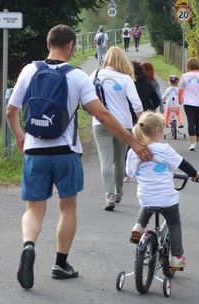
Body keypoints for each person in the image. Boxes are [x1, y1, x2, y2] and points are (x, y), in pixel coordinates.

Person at [6, 25, 152, 290]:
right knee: (67, 207)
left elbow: (10, 111)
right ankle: (61, 264)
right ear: (71, 46)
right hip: (65, 153)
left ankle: (29, 246)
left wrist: (19, 136)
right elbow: (103, 115)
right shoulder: (77, 77)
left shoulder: (29, 70)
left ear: (48, 43)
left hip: (35, 152)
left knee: (34, 209)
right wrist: (132, 140)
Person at [126, 112, 199, 268]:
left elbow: (129, 173)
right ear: (157, 131)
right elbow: (183, 165)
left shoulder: (133, 151)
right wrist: (196, 175)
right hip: (167, 198)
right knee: (174, 224)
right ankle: (177, 257)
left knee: (147, 205)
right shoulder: (164, 149)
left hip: (145, 196)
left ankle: (138, 227)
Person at [89, 46, 144, 211]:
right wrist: (141, 123)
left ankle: (109, 195)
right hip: (123, 124)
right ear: (122, 60)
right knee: (118, 161)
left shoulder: (95, 74)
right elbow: (136, 104)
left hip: (100, 123)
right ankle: (119, 192)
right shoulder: (125, 79)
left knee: (105, 159)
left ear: (106, 59)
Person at [179, 57, 199, 151]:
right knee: (198, 122)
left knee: (191, 122)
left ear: (188, 65)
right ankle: (197, 141)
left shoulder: (184, 76)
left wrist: (180, 100)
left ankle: (192, 143)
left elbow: (180, 90)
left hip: (188, 103)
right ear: (198, 65)